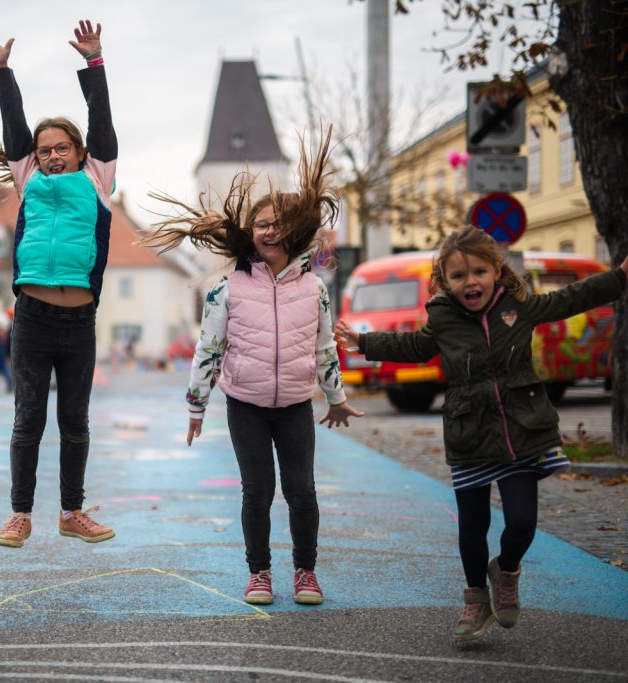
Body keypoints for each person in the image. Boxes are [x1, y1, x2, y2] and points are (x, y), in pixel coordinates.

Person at [334, 225, 628, 642]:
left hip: (523, 430)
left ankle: (506, 572)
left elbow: (570, 299)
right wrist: (364, 341)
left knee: (523, 521)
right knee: (472, 526)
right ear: (446, 282)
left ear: (496, 271)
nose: (470, 282)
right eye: (458, 275)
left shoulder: (519, 306)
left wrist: (619, 277)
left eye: (478, 272)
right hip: (470, 433)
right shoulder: (443, 318)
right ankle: (475, 600)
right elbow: (413, 347)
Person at [139, 128, 363, 606]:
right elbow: (209, 349)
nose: (269, 230)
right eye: (260, 223)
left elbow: (324, 347)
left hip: (296, 405)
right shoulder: (227, 288)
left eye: (278, 223)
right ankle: (259, 573)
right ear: (250, 232)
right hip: (246, 404)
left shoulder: (314, 289)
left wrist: (337, 397)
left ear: (294, 230)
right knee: (256, 491)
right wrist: (196, 407)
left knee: (302, 490)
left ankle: (305, 572)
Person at [0, 20, 117, 548]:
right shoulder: (28, 178)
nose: (53, 155)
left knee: (74, 422)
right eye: (45, 149)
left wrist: (94, 61)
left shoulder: (98, 178)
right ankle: (20, 514)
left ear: (80, 152)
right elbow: (13, 122)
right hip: (32, 318)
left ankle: (71, 511)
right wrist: (1, 70)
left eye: (62, 148)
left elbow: (101, 119)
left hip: (78, 322)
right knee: (27, 420)